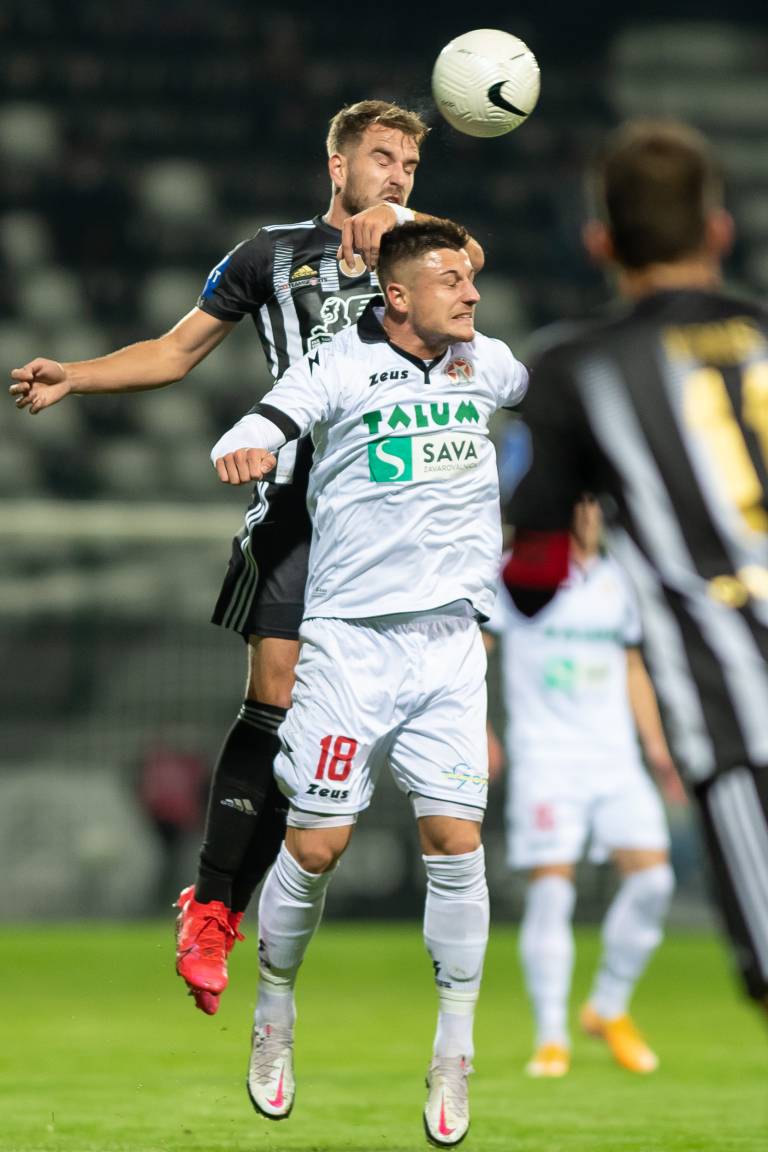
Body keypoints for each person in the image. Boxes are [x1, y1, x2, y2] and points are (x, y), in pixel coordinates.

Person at [9, 100, 484, 1015]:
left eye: (409, 164)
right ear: (337, 163)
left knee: (315, 748)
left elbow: (470, 287)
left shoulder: (423, 256)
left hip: (393, 525)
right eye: (381, 158)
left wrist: (410, 228)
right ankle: (215, 906)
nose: (396, 174)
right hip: (299, 512)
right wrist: (76, 375)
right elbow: (176, 350)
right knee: (273, 699)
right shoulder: (272, 254)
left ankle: (247, 894)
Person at [210, 218, 527, 1144]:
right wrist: (244, 441)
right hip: (351, 648)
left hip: (451, 645)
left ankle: (454, 1054)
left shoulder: (486, 362)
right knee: (316, 848)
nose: (472, 293)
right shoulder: (340, 364)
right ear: (397, 296)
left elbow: (553, 398)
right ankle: (274, 1015)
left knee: (456, 843)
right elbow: (271, 414)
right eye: (451, 281)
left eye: (470, 279)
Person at [503, 119, 768, 1020]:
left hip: (740, 719)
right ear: (719, 230)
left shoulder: (574, 371)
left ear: (600, 244)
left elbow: (534, 577)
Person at [485, 496, 686, 1077]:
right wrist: (478, 727)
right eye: (582, 502)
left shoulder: (621, 578)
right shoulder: (518, 573)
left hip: (615, 758)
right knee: (553, 891)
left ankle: (607, 1006)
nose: (590, 512)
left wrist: (657, 749)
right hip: (546, 758)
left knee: (654, 881)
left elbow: (632, 665)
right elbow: (475, 650)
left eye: (596, 503)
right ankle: (551, 1036)